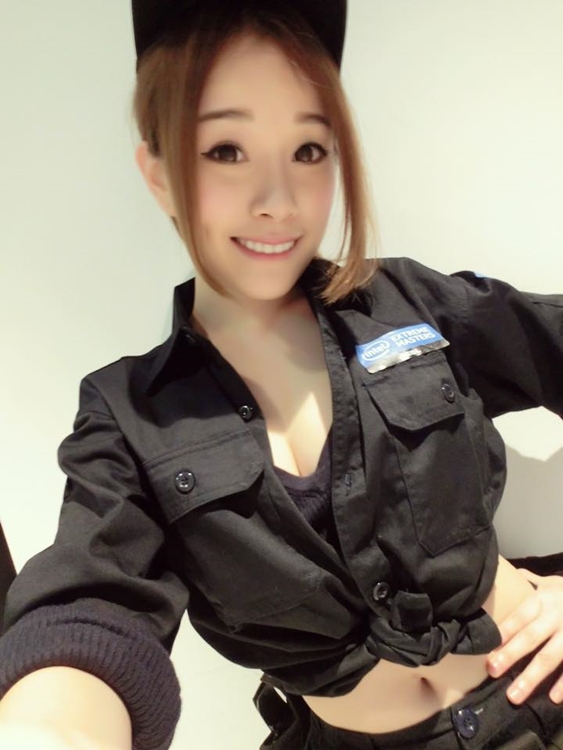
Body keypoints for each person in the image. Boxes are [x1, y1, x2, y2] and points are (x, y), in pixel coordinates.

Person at [0, 1, 562, 748]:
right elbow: (91, 610)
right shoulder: (128, 415)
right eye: (226, 150)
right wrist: (48, 729)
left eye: (308, 149)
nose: (278, 201)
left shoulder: (409, 304)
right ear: (160, 174)